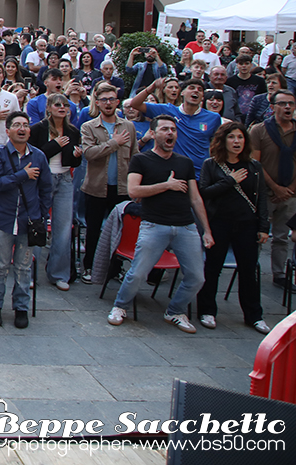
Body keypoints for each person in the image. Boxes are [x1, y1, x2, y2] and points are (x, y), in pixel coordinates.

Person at [106, 114, 212, 334]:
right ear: (153, 134)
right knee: (137, 273)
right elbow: (134, 191)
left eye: (173, 129)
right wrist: (166, 185)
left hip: (185, 226)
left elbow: (195, 199)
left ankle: (175, 310)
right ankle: (120, 306)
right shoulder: (141, 160)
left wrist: (206, 230)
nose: (170, 133)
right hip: (154, 225)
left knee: (197, 276)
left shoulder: (184, 163)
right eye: (164, 129)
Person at [197, 122, 270, 333]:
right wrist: (229, 180)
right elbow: (205, 192)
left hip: (247, 224)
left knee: (249, 270)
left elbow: (262, 198)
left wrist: (263, 226)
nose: (236, 141)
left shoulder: (254, 166)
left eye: (240, 137)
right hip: (219, 222)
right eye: (232, 137)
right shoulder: (211, 164)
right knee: (213, 267)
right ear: (223, 140)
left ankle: (254, 315)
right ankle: (207, 310)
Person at [0, 112, 52, 328]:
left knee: (24, 267)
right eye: (16, 125)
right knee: (1, 265)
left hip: (29, 221)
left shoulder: (39, 156)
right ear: (8, 131)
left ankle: (21, 308)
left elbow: (46, 187)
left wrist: (40, 215)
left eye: (25, 125)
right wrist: (22, 175)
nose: (22, 129)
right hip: (2, 220)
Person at [79, 84, 136, 281]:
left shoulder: (128, 126)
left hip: (121, 187)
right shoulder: (89, 127)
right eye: (104, 100)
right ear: (98, 103)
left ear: (117, 102)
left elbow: (135, 156)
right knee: (93, 229)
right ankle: (89, 267)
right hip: (96, 187)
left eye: (112, 99)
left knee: (119, 231)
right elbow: (89, 154)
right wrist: (114, 143)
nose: (108, 103)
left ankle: (115, 268)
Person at [29, 94, 82, 290]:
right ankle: (29, 272)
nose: (62, 108)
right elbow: (34, 156)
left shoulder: (72, 131)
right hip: (43, 180)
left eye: (65, 105)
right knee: (36, 225)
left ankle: (59, 273)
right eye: (58, 105)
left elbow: (73, 161)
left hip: (65, 179)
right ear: (49, 108)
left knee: (63, 227)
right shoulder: (38, 129)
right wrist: (55, 145)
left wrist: (77, 156)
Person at [248, 88, 296, 294]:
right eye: (283, 104)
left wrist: (289, 190)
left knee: (282, 236)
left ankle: (280, 274)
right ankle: (250, 270)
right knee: (258, 234)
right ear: (273, 106)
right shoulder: (259, 130)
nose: (287, 107)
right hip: (265, 192)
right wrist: (276, 187)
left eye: (291, 104)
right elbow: (255, 163)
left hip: (291, 195)